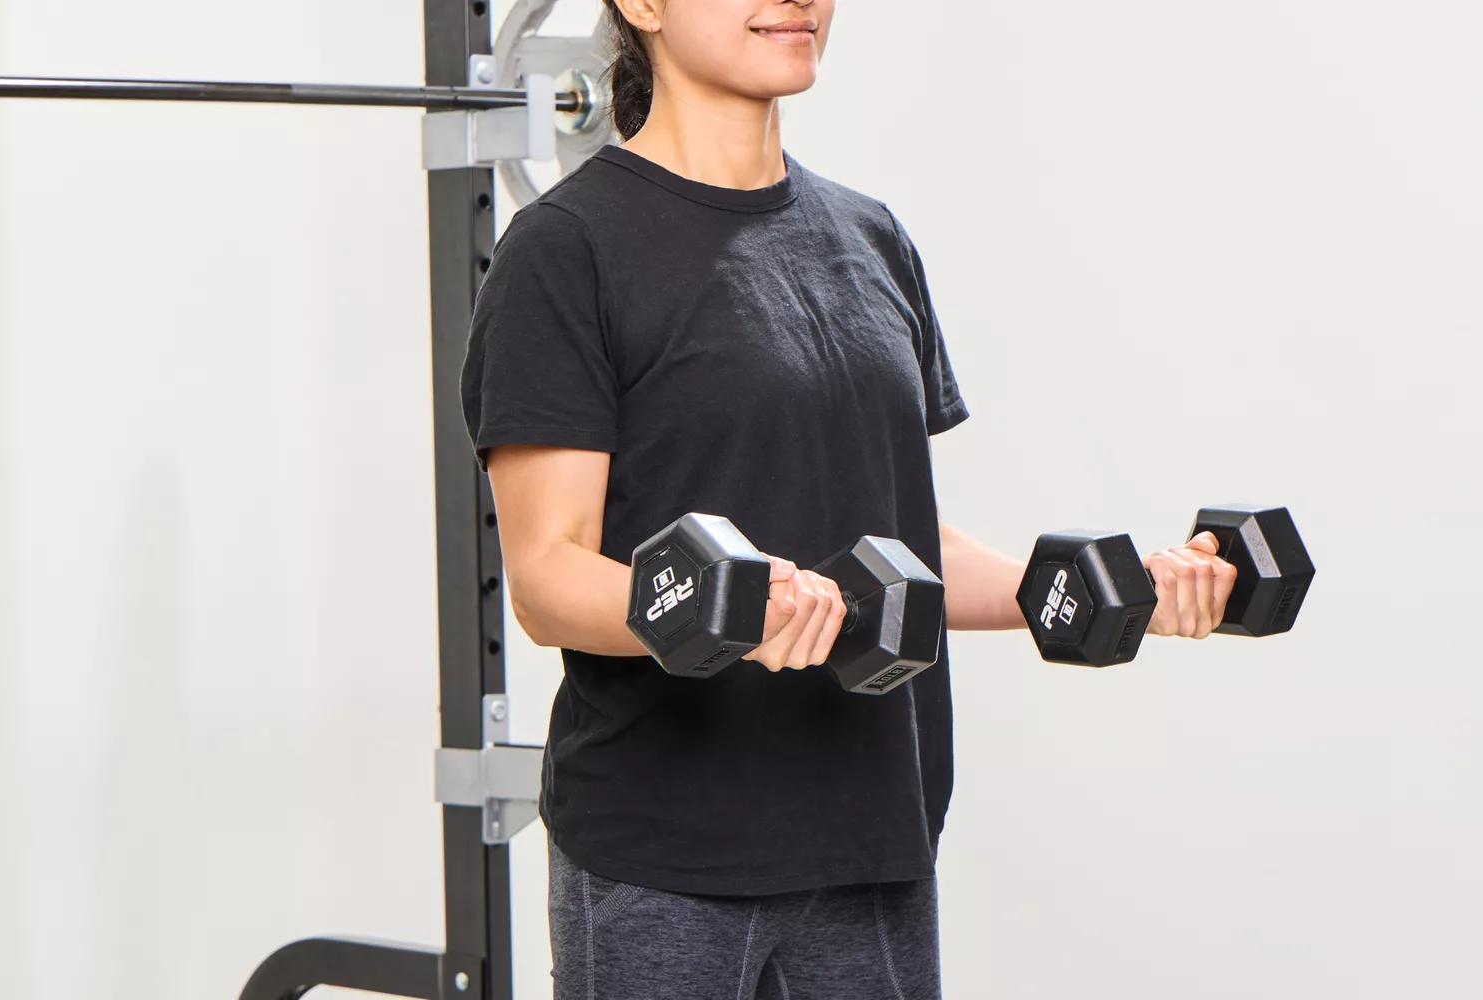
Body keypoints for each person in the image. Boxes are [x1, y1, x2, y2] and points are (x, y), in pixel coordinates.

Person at [460, 1, 1236, 996]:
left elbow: (901, 542)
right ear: (641, 5)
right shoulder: (568, 250)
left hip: (875, 833)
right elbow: (548, 574)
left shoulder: (872, 239)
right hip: (666, 861)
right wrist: (731, 613)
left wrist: (1100, 588)